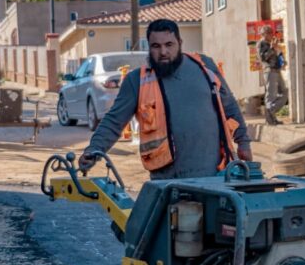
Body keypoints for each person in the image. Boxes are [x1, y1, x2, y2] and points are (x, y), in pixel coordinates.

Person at [79, 19, 252, 179]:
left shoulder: (205, 66)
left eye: (169, 44)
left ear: (180, 43)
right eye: (156, 46)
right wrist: (94, 150)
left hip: (217, 174)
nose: (163, 52)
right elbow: (114, 121)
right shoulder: (136, 81)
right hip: (169, 181)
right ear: (149, 47)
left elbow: (229, 106)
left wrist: (243, 142)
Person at [256, 25, 288, 125]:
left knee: (284, 92)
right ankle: (271, 118)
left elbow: (278, 54)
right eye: (268, 32)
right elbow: (263, 58)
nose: (271, 34)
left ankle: (271, 110)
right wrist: (272, 48)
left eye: (271, 32)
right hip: (269, 71)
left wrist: (282, 60)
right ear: (263, 34)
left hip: (277, 70)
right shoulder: (261, 44)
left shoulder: (271, 43)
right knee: (271, 95)